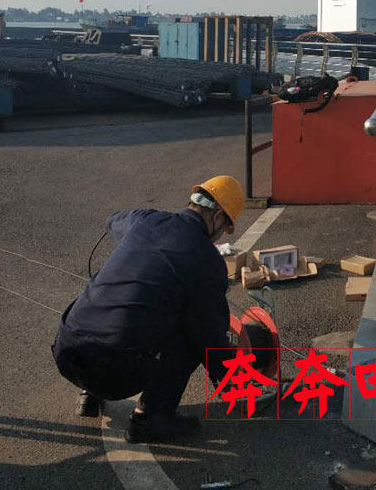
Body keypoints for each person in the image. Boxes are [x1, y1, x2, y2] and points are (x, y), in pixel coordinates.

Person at [52, 175, 243, 443]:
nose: (220, 235)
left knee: (111, 292)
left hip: (67, 353)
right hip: (115, 375)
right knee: (190, 331)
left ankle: (90, 394)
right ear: (218, 217)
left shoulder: (145, 220)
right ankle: (151, 419)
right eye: (224, 228)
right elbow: (210, 334)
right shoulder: (207, 260)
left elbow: (113, 220)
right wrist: (230, 381)